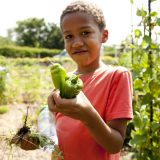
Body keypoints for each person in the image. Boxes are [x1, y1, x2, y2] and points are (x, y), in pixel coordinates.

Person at [47, 1, 133, 160]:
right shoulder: (64, 82)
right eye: (69, 36)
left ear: (104, 36)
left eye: (85, 33)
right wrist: (32, 139)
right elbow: (54, 133)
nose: (77, 42)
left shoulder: (116, 76)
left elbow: (115, 144)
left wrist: (87, 116)